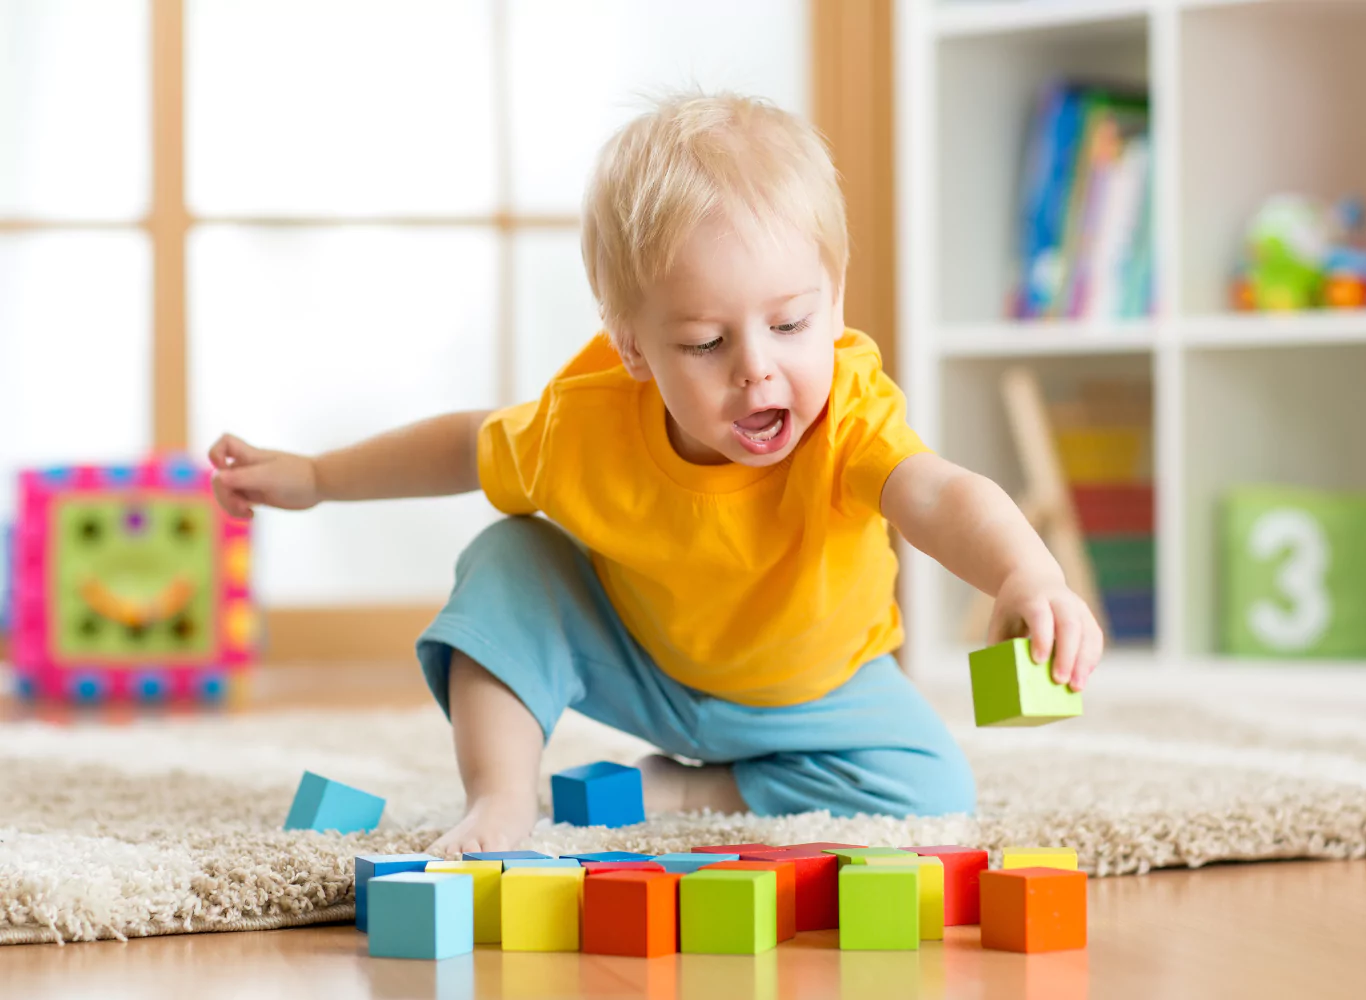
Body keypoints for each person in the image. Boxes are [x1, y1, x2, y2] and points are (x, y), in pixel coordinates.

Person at [208, 92, 1103, 858]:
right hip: (639, 661)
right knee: (510, 558)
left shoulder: (849, 415)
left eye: (791, 324)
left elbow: (940, 493)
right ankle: (501, 794)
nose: (757, 369)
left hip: (814, 688)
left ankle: (689, 792)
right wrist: (317, 475)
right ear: (633, 347)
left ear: (835, 300)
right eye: (707, 343)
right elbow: (462, 446)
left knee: (935, 790)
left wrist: (1028, 573)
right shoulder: (586, 421)